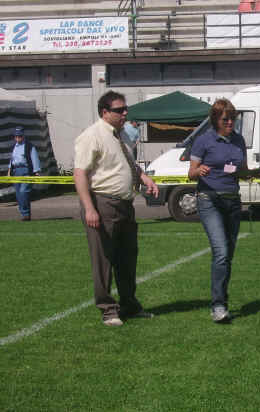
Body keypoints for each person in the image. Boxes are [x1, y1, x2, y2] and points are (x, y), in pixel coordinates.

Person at [74, 90, 159, 327]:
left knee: (127, 257)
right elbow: (80, 174)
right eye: (119, 110)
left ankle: (129, 304)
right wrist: (90, 208)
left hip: (124, 205)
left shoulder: (119, 136)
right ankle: (107, 309)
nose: (125, 113)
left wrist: (144, 178)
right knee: (104, 259)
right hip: (103, 203)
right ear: (105, 112)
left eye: (125, 109)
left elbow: (127, 164)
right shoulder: (92, 136)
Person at [189, 98, 250, 323]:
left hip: (232, 201)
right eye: (226, 119)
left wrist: (251, 174)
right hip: (209, 200)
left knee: (227, 256)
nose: (231, 122)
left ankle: (222, 299)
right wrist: (200, 170)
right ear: (215, 119)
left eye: (233, 118)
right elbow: (191, 173)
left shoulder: (238, 140)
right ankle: (218, 306)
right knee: (221, 252)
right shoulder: (203, 141)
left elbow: (241, 170)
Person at [8, 126, 40, 221]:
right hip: (15, 171)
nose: (18, 138)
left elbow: (35, 159)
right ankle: (24, 215)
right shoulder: (14, 147)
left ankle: (26, 214)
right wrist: (9, 172)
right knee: (18, 194)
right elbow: (12, 160)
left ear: (23, 136)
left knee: (23, 192)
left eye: (19, 136)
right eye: (16, 136)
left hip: (26, 171)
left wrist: (37, 171)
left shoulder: (29, 146)